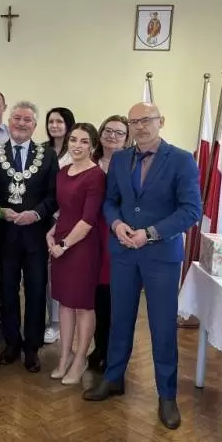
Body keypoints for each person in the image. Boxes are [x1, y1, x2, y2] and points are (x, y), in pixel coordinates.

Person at [83, 103, 202, 431]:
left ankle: (167, 396)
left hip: (161, 255)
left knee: (162, 327)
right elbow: (111, 201)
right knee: (119, 319)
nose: (140, 126)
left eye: (146, 120)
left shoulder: (181, 160)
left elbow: (191, 210)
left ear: (161, 121)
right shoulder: (121, 159)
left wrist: (150, 233)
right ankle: (113, 378)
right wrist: (116, 224)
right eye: (134, 121)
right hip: (123, 252)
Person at [0, 101, 58, 373]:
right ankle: (12, 342)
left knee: (37, 291)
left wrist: (36, 214)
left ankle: (32, 347)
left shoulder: (48, 155)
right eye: (17, 118)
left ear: (35, 126)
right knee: (7, 291)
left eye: (27, 120)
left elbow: (54, 195)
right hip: (5, 236)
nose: (21, 123)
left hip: (37, 236)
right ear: (9, 121)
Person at [46, 123, 106, 385]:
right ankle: (64, 357)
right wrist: (51, 233)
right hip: (61, 242)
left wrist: (64, 245)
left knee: (82, 305)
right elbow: (65, 211)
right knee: (65, 304)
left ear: (93, 145)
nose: (77, 146)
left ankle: (80, 359)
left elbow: (88, 219)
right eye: (73, 140)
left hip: (82, 247)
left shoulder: (96, 175)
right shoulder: (62, 173)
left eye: (83, 141)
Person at [88, 115, 130, 373]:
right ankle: (99, 346)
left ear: (127, 139)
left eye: (119, 132)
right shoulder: (89, 162)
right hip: (89, 235)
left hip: (117, 236)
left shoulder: (131, 165)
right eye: (108, 130)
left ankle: (114, 352)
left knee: (115, 298)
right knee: (96, 298)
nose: (112, 136)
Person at [43, 106, 76, 345]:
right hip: (45, 218)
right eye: (51, 121)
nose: (54, 125)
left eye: (59, 122)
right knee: (47, 274)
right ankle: (51, 320)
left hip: (67, 220)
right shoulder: (42, 150)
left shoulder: (75, 153)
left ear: (68, 125)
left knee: (62, 274)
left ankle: (62, 323)